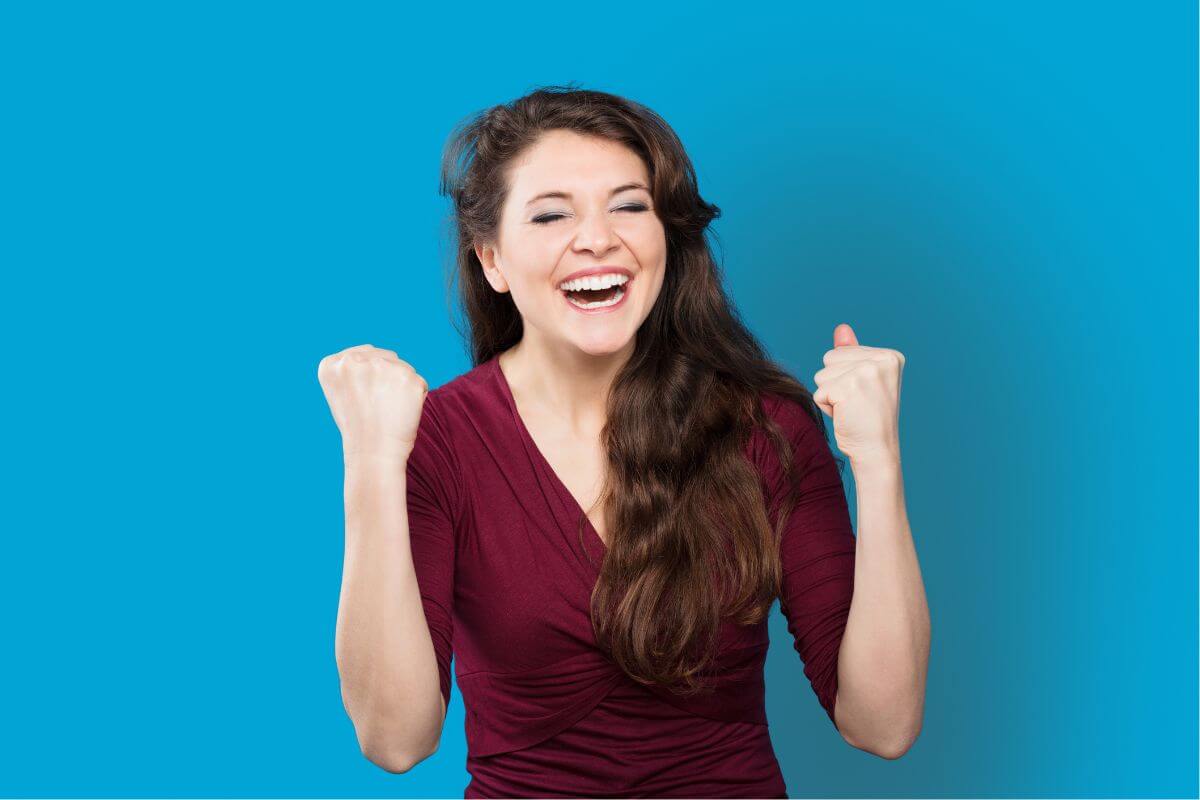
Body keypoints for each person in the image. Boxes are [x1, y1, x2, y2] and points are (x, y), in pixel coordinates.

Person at [318, 85, 930, 798]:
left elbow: (883, 725)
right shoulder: (443, 442)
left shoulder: (764, 428)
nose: (598, 238)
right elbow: (395, 740)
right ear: (492, 259)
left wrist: (879, 460)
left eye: (629, 205)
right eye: (551, 214)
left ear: (665, 234)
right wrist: (371, 465)